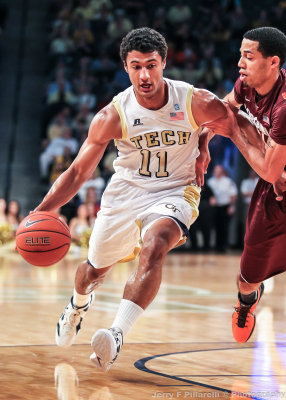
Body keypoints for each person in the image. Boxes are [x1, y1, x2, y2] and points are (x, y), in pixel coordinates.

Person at [32, 27, 259, 371]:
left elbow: (235, 125)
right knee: (92, 272)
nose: (145, 74)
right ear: (126, 68)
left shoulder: (193, 101)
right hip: (126, 192)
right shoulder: (113, 115)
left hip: (176, 190)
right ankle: (78, 304)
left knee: (155, 244)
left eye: (151, 65)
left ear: (164, 63)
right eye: (136, 66)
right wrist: (40, 212)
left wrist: (210, 147)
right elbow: (78, 173)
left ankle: (116, 334)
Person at [199, 27, 286, 344]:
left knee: (239, 126)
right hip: (275, 193)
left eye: (249, 56)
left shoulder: (284, 107)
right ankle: (247, 301)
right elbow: (224, 109)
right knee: (246, 278)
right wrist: (203, 144)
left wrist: (234, 133)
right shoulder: (245, 86)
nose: (240, 62)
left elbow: (266, 169)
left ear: (273, 62)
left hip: (273, 175)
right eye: (240, 55)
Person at [207, 164, 237, 252]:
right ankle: (216, 246)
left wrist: (231, 206)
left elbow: (233, 195)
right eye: (216, 170)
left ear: (222, 171)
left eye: (219, 170)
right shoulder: (210, 181)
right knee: (215, 227)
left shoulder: (228, 181)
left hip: (225, 206)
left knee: (224, 227)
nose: (217, 172)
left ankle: (223, 246)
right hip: (214, 208)